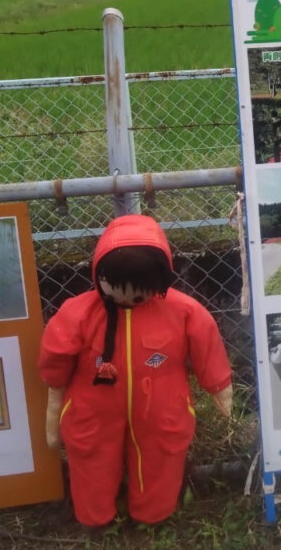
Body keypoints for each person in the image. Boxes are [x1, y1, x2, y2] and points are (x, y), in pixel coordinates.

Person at [38, 215, 232, 528]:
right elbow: (56, 357)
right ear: (99, 274)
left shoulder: (182, 311)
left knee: (161, 457)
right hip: (93, 407)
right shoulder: (79, 313)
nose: (128, 299)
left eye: (139, 291)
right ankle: (94, 515)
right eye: (116, 289)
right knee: (91, 459)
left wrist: (219, 385)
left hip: (162, 406)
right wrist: (54, 405)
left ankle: (153, 514)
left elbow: (206, 345)